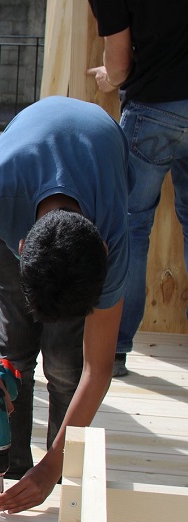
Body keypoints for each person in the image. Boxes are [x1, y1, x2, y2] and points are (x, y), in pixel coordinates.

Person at [0, 96, 131, 514]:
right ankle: (14, 468)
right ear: (19, 247)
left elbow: (98, 368)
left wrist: (55, 464)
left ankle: (58, 468)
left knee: (65, 363)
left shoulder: (113, 233)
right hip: (21, 184)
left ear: (104, 253)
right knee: (13, 350)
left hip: (95, 156)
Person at [86, 0, 188, 378]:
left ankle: (113, 350)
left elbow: (119, 64)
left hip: (152, 108)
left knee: (129, 227)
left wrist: (108, 80)